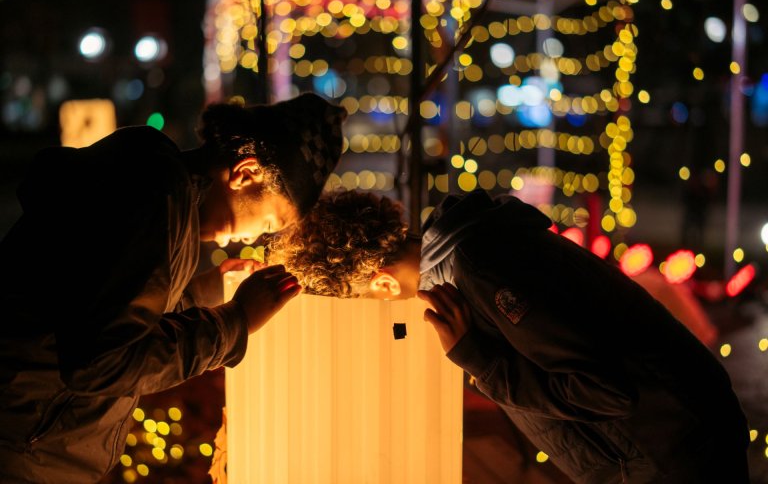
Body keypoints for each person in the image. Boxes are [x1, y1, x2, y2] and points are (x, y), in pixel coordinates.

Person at [267, 189, 750, 484]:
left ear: (385, 282)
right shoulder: (469, 259)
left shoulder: (482, 269)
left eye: (372, 301)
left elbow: (604, 390)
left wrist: (481, 362)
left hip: (671, 454)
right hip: (662, 448)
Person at [0, 92, 346, 483]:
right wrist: (235, 322)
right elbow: (101, 362)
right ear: (245, 174)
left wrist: (205, 292)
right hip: (20, 452)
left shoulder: (156, 191)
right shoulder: (155, 197)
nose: (249, 236)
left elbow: (113, 311)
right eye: (267, 224)